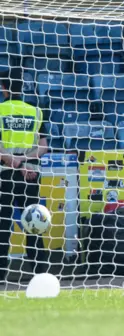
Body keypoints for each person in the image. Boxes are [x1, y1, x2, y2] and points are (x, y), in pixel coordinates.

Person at [0, 68, 50, 282]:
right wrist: (25, 161)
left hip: (5, 173)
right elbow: (44, 147)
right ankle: (41, 273)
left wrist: (13, 160)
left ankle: (1, 275)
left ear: (3, 89)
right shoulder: (36, 111)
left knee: (3, 224)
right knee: (34, 221)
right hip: (30, 173)